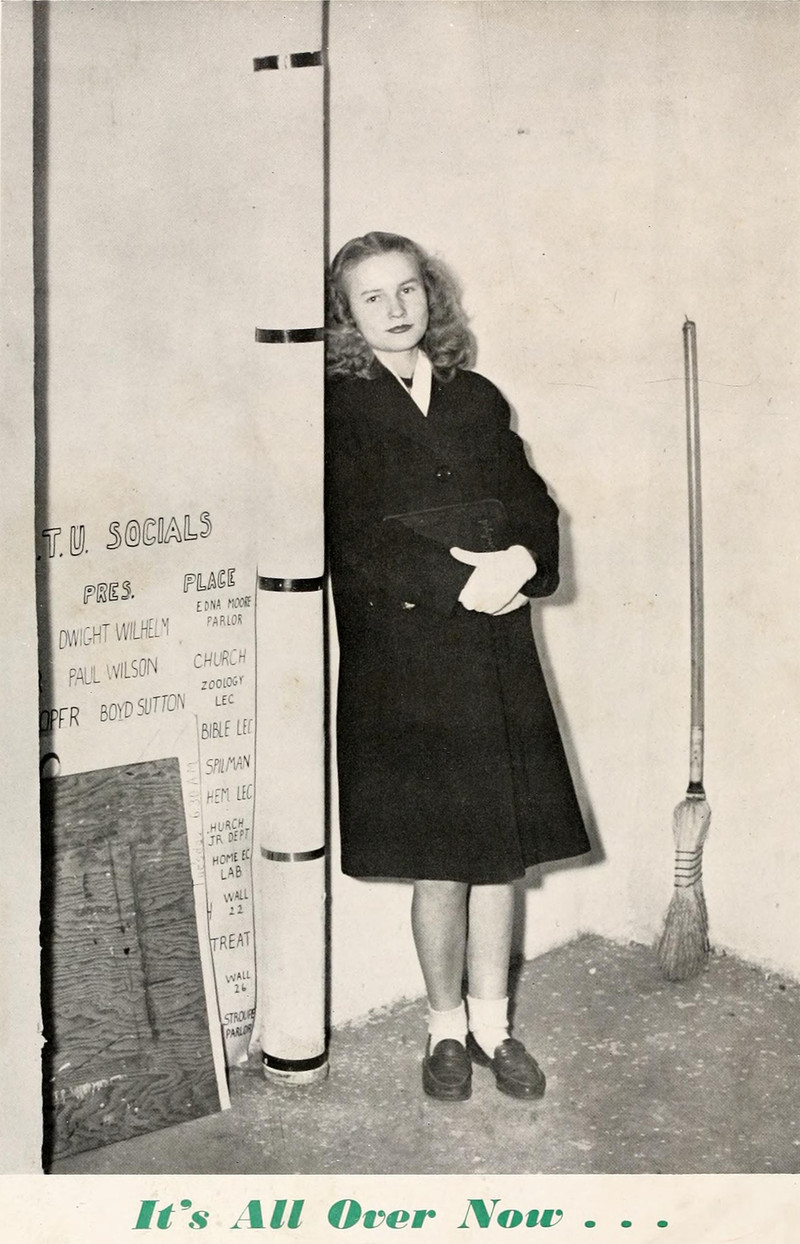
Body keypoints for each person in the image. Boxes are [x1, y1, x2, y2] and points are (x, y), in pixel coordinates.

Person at [325, 231, 591, 1101]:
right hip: (407, 663)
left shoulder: (476, 398)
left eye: (408, 289)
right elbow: (355, 536)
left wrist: (524, 560)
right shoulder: (335, 410)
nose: (396, 309)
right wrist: (459, 581)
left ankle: (494, 1027)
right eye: (373, 298)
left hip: (494, 653)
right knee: (439, 860)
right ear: (346, 317)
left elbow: (532, 503)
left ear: (430, 294)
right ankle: (444, 1029)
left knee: (500, 858)